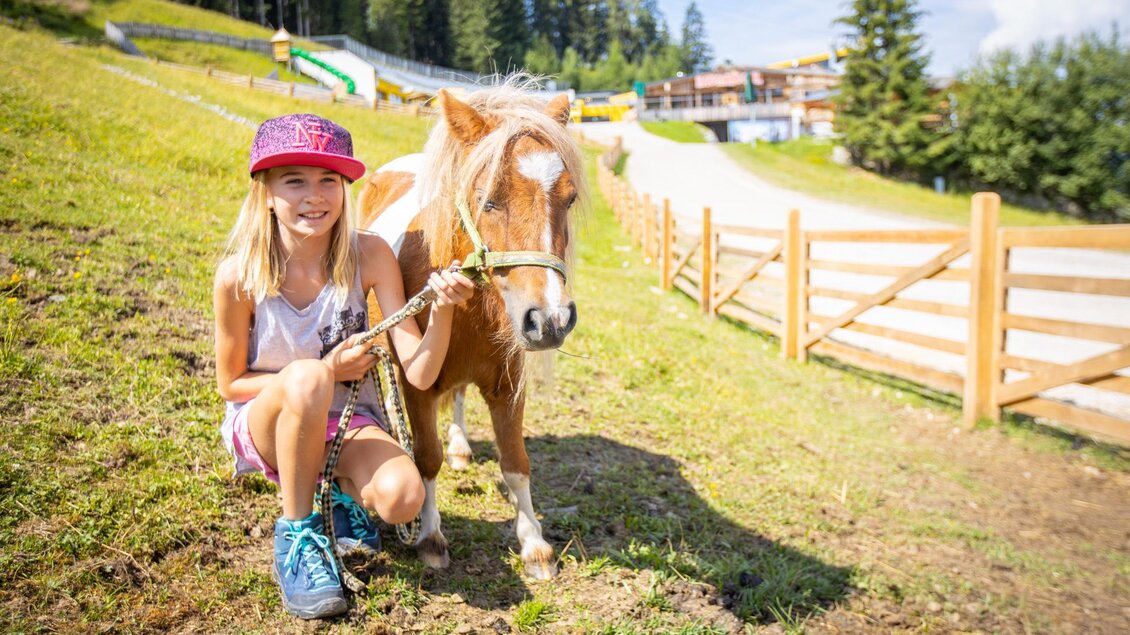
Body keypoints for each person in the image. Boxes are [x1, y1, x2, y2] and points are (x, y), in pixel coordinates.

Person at [213, 114, 474, 619]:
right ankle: (298, 535)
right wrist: (327, 371)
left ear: (344, 188)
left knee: (403, 497)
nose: (315, 196)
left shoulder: (369, 254)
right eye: (295, 181)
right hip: (269, 421)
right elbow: (231, 383)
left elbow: (420, 373)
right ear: (266, 192)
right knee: (309, 378)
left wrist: (442, 309)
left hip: (348, 422)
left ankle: (338, 494)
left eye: (328, 180)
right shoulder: (238, 276)